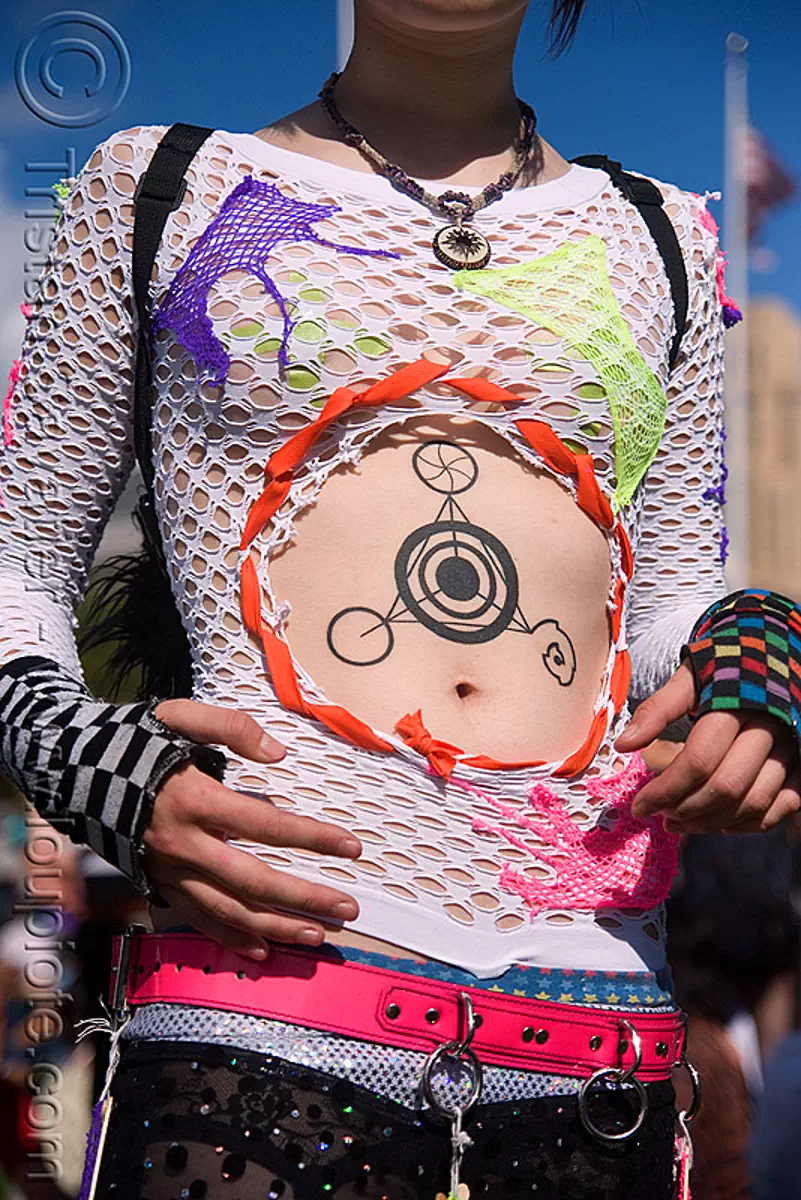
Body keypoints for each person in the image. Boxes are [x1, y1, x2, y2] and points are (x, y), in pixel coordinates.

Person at [1, 1, 800, 1196]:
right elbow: (20, 566)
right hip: (262, 1002)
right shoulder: (152, 189)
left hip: (598, 1040)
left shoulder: (661, 239)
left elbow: (663, 610)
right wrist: (84, 762)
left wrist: (762, 649)